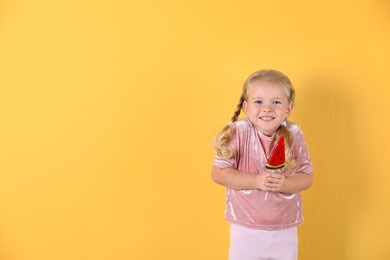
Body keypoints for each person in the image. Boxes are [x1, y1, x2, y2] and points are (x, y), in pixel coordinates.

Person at [212, 69, 313, 260]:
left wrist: (285, 184)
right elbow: (218, 173)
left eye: (276, 102)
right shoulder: (240, 131)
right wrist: (257, 181)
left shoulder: (294, 133)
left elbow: (307, 177)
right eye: (259, 102)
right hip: (245, 228)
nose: (267, 108)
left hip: (286, 228)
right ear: (246, 107)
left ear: (288, 109)